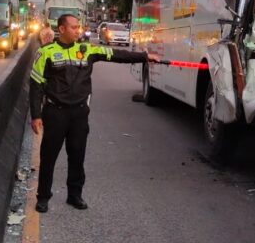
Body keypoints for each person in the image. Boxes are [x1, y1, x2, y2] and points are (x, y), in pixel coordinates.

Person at [29, 14, 159, 213]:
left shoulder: (88, 50)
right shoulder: (45, 52)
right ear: (61, 29)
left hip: (79, 114)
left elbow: (116, 55)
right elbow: (36, 85)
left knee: (77, 156)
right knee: (48, 157)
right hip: (55, 113)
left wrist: (143, 57)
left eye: (78, 27)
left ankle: (75, 195)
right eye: (73, 27)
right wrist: (36, 115)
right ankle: (43, 197)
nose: (77, 30)